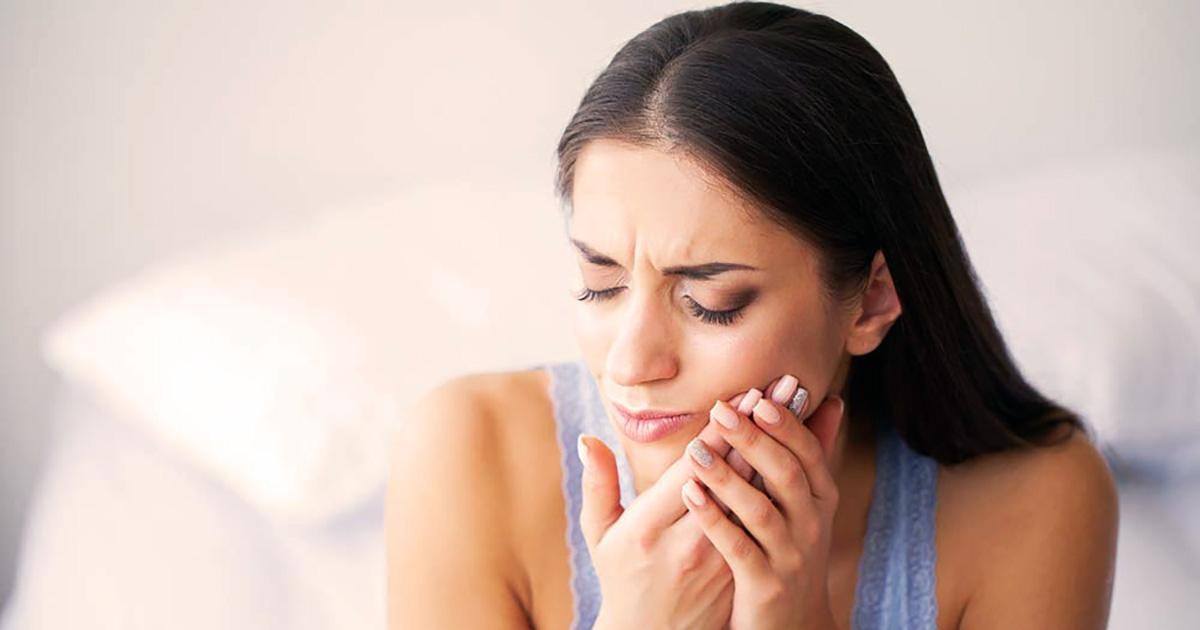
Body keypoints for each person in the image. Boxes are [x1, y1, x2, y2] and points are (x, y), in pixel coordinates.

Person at [385, 2, 1119, 628]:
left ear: (871, 300)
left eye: (712, 303)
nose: (631, 365)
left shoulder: (1034, 500)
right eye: (600, 284)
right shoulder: (468, 452)